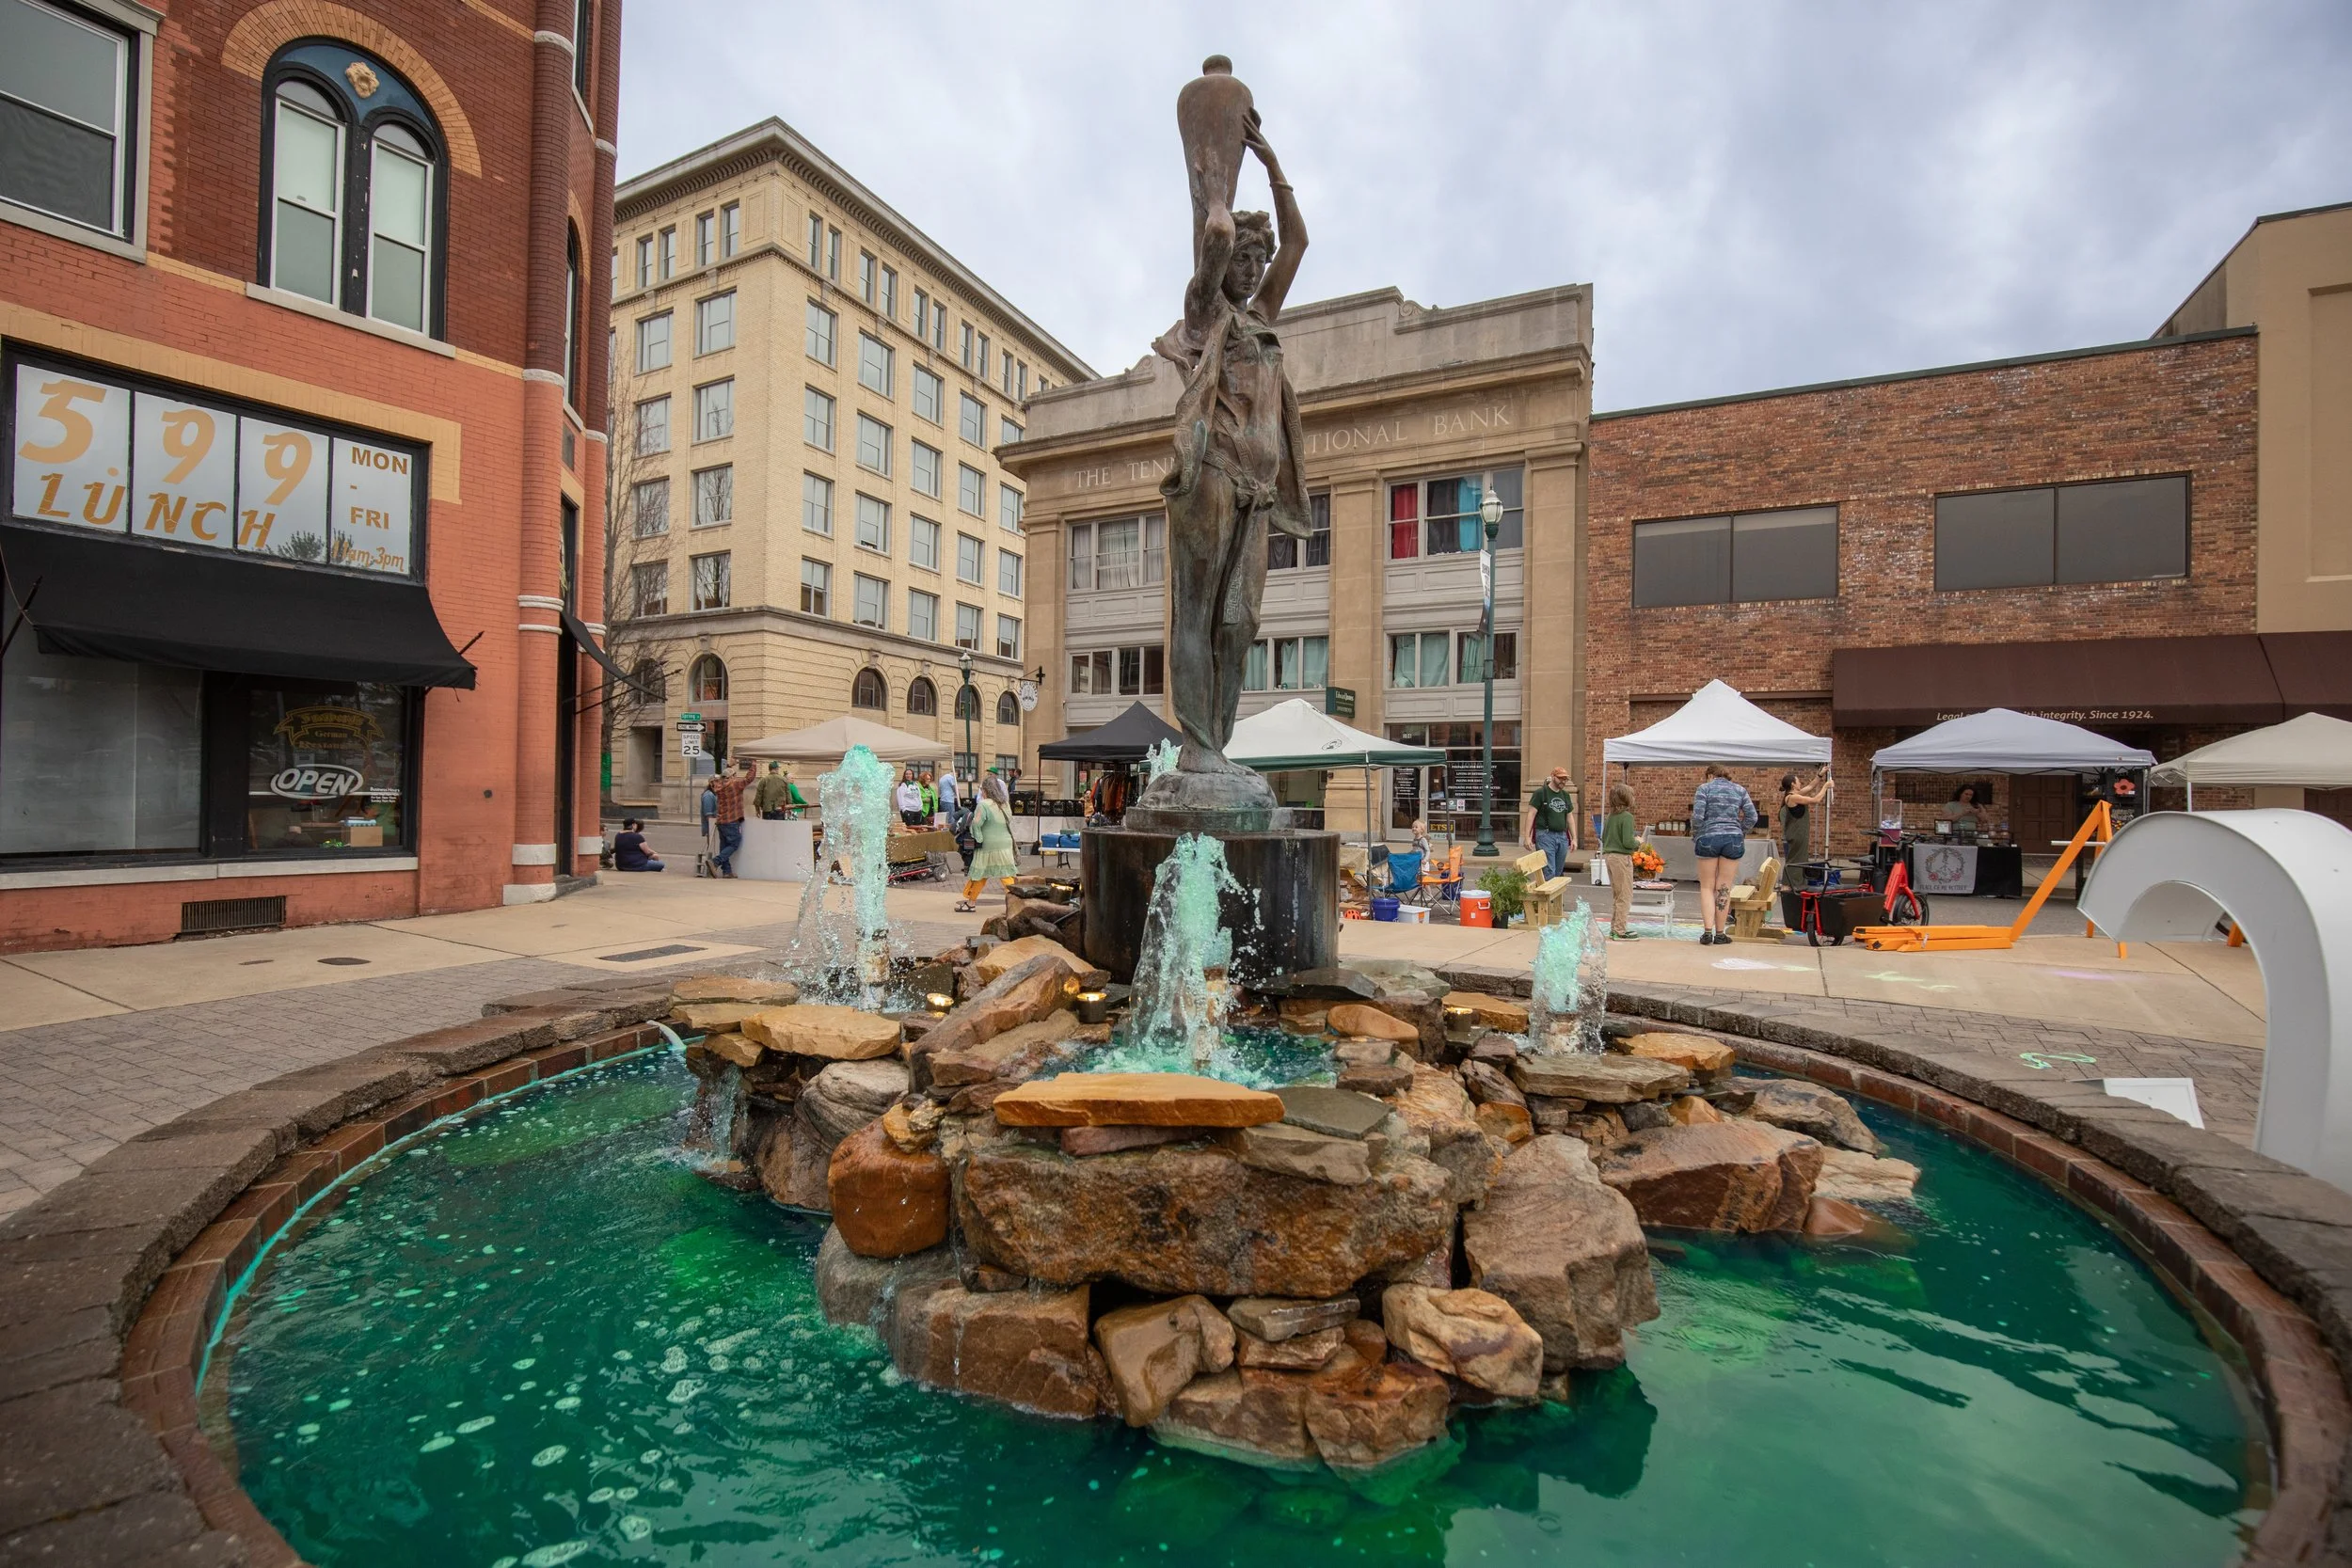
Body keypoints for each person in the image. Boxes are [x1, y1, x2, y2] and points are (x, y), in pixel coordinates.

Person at [1690, 763, 1757, 945]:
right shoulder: (1740, 790)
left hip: (1708, 837)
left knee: (1706, 887)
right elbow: (1752, 816)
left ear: (1710, 775)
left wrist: (1697, 834)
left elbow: (1697, 817)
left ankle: (1706, 932)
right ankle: (1720, 934)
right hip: (1733, 839)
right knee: (1724, 887)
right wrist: (1739, 831)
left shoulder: (1704, 789)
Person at [957, 774, 1020, 913]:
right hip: (1005, 843)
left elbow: (976, 825)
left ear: (986, 790)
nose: (981, 792)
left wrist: (977, 839)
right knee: (1006, 874)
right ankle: (1016, 903)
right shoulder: (1005, 804)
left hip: (988, 844)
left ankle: (971, 902)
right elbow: (1008, 820)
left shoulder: (983, 805)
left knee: (979, 874)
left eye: (982, 789)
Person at [1521, 766, 1580, 879]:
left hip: (1562, 836)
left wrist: (1574, 838)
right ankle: (1549, 897)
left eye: (1565, 779)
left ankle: (1553, 896)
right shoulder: (1541, 793)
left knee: (1558, 872)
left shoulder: (1565, 795)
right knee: (1549, 871)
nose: (1563, 781)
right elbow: (1531, 814)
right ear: (1553, 776)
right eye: (1560, 778)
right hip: (1545, 835)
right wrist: (1527, 837)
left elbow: (1570, 817)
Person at [1779, 767, 1830, 894]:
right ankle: (1787, 885)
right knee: (1794, 861)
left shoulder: (1795, 795)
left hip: (1800, 834)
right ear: (1793, 784)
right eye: (1798, 781)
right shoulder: (1792, 798)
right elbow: (1816, 800)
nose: (1800, 783)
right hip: (1796, 834)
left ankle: (1797, 884)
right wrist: (1826, 787)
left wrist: (1820, 775)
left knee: (1800, 860)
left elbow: (1810, 787)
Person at [1601, 783, 1641, 940]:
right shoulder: (1627, 817)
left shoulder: (1610, 817)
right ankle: (1620, 931)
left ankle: (1615, 927)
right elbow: (1627, 842)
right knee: (1625, 895)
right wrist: (1638, 841)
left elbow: (1604, 838)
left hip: (1609, 856)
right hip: (1621, 858)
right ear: (1626, 799)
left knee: (1617, 895)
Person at [709, 759, 754, 879]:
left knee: (724, 846)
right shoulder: (735, 785)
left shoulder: (718, 785)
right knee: (735, 843)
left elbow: (721, 777)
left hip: (721, 821)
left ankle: (727, 871)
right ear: (732, 777)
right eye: (734, 775)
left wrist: (729, 766)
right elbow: (749, 778)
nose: (736, 776)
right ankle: (715, 862)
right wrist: (753, 763)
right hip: (732, 820)